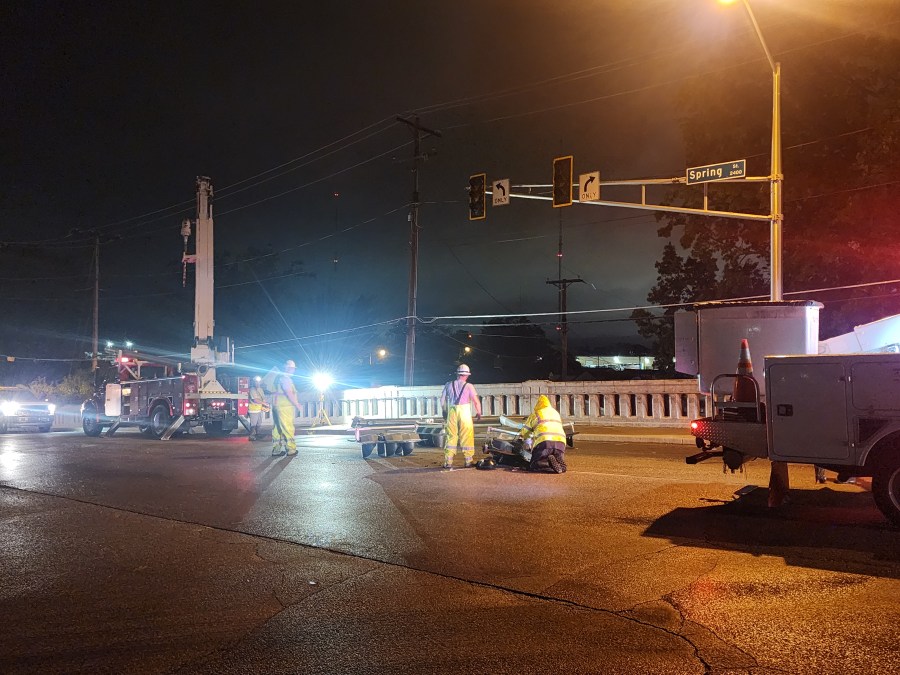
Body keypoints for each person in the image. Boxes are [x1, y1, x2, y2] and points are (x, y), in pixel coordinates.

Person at [439, 364, 482, 469]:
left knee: (451, 435)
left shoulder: (448, 384)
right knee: (466, 435)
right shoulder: (469, 386)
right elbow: (476, 402)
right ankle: (468, 461)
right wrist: (479, 412)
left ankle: (448, 462)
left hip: (452, 410)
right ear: (466, 375)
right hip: (464, 411)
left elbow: (442, 400)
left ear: (457, 374)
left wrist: (444, 411)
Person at [519, 395, 567, 474]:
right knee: (556, 454)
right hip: (561, 442)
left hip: (545, 442)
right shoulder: (556, 413)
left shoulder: (536, 414)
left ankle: (548, 463)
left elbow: (525, 431)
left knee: (533, 465)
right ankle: (559, 464)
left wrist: (523, 438)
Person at [272, 359, 303, 457]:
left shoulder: (278, 378)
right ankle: (291, 449)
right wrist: (297, 404)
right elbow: (289, 392)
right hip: (285, 407)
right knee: (288, 428)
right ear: (289, 368)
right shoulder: (285, 378)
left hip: (277, 406)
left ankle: (276, 449)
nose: (293, 370)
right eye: (293, 368)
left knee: (277, 429)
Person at [247, 376, 269, 441]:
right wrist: (264, 403)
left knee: (259, 423)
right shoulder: (252, 389)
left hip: (259, 409)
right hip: (253, 409)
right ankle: (251, 436)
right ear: (253, 382)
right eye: (256, 382)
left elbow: (263, 398)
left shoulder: (260, 389)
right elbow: (255, 400)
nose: (257, 383)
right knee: (253, 424)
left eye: (258, 382)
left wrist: (264, 405)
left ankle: (257, 434)